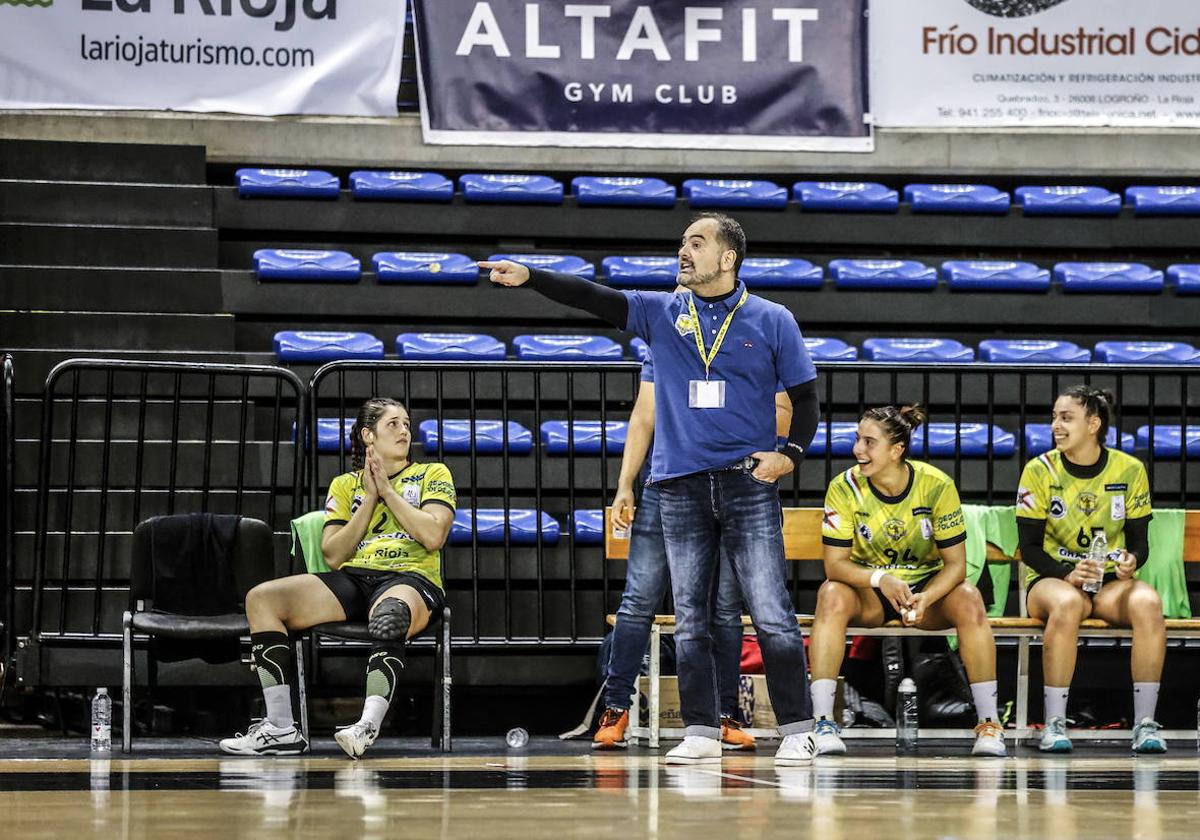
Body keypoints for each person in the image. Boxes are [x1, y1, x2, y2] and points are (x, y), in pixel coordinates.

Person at [482, 212, 821, 766]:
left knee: (771, 610)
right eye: (682, 243)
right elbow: (596, 297)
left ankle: (799, 727)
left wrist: (791, 456)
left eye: (696, 243)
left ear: (728, 257)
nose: (683, 252)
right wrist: (533, 277)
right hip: (678, 485)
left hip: (748, 484)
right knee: (688, 616)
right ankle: (701, 731)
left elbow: (805, 399)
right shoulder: (665, 311)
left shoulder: (772, 318)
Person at [219, 397, 456, 759]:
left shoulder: (433, 474)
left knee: (389, 614)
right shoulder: (345, 485)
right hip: (356, 578)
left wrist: (389, 493)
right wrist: (371, 498)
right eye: (393, 424)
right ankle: (280, 728)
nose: (404, 430)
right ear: (368, 435)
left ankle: (366, 726)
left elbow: (433, 536)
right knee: (261, 598)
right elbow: (333, 554)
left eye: (407, 424)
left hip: (412, 578)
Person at [595, 346, 793, 751]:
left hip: (736, 484)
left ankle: (724, 714)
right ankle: (616, 707)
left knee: (724, 607)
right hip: (667, 482)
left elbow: (784, 408)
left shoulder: (749, 340)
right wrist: (624, 484)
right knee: (640, 597)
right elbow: (644, 415)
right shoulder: (663, 346)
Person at [811, 404, 1005, 757]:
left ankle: (989, 724)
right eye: (858, 440)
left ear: (896, 450)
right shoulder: (844, 486)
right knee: (830, 595)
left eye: (869, 442)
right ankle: (823, 721)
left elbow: (956, 566)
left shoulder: (935, 485)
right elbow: (835, 566)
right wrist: (880, 578)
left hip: (923, 595)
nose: (858, 450)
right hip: (871, 593)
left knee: (969, 597)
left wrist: (926, 598)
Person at [1016, 386, 1164, 754]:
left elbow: (1140, 543)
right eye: (1054, 417)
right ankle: (1054, 723)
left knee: (1147, 602)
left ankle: (1145, 724)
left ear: (1093, 424)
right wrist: (1067, 573)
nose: (1056, 426)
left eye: (1066, 418)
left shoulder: (1129, 470)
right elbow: (1029, 549)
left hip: (1109, 584)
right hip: (1051, 580)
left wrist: (1132, 561)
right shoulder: (1039, 470)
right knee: (1067, 604)